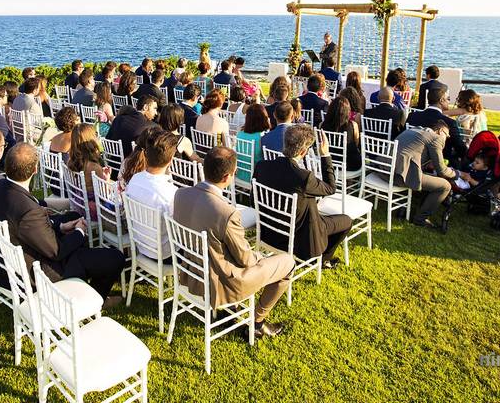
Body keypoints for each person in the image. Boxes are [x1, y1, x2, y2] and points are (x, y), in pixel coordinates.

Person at [173, 147, 294, 340]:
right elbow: (245, 259)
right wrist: (261, 257)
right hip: (220, 283)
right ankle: (258, 322)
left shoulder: (181, 194)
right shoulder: (226, 213)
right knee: (287, 262)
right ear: (227, 177)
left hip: (191, 273)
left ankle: (230, 311)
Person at [0, 143, 126, 304]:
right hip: (37, 274)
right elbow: (56, 251)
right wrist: (79, 231)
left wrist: (60, 227)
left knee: (71, 217)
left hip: (11, 262)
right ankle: (95, 300)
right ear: (35, 169)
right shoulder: (28, 211)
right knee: (115, 258)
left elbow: (30, 229)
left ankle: (84, 273)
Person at [253, 124, 352, 269]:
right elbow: (331, 188)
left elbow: (253, 200)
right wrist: (325, 155)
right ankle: (323, 259)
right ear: (304, 151)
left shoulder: (261, 166)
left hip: (269, 232)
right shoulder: (304, 178)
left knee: (319, 215)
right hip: (299, 239)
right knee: (346, 221)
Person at [124, 131, 179, 259]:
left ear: (146, 155)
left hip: (141, 245)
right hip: (165, 254)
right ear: (171, 160)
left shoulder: (135, 180)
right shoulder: (170, 193)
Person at [393, 123, 456, 228]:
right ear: (441, 131)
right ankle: (420, 218)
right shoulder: (436, 138)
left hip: (383, 171)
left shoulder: (413, 130)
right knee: (445, 186)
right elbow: (442, 171)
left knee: (426, 176)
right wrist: (458, 174)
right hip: (399, 176)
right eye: (447, 135)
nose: (446, 139)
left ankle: (406, 207)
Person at [407, 87, 466, 163]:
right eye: (448, 99)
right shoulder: (449, 122)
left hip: (413, 156)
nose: (449, 102)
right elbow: (460, 147)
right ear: (441, 100)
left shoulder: (412, 116)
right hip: (439, 161)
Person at [67, 124, 110, 219]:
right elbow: (104, 196)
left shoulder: (71, 162)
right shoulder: (94, 167)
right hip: (93, 210)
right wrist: (106, 180)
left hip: (78, 203)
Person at [320, 97, 361, 172]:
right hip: (350, 164)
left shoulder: (322, 125)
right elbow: (356, 143)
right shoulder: (353, 125)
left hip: (330, 161)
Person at [235, 104, 270, 183]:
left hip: (240, 173)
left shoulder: (240, 134)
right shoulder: (262, 137)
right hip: (256, 177)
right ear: (264, 118)